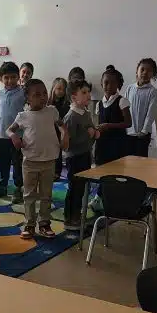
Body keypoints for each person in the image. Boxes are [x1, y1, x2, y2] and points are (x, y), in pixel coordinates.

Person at [8, 79, 67, 239]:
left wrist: (65, 134)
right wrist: (14, 136)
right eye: (37, 94)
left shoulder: (52, 111)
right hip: (30, 162)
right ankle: (29, 223)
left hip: (49, 161)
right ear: (27, 98)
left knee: (46, 195)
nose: (42, 97)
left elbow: (62, 125)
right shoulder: (23, 116)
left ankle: (44, 223)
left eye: (44, 93)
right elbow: (9, 130)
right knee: (29, 195)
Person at [0, 62, 26, 202]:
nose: (10, 81)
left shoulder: (23, 93)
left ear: (18, 77)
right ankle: (2, 186)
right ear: (1, 78)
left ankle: (18, 188)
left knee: (17, 163)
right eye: (6, 77)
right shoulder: (0, 93)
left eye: (13, 77)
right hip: (2, 135)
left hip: (17, 135)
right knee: (2, 162)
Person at [63, 80, 97, 230]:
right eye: (84, 92)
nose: (88, 95)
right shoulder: (71, 116)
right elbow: (68, 143)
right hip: (75, 157)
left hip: (85, 154)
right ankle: (70, 218)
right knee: (74, 187)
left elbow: (90, 130)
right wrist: (88, 134)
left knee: (82, 187)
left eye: (88, 92)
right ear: (73, 97)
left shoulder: (86, 113)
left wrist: (95, 133)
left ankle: (77, 214)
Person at [94, 67, 132, 165]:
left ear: (118, 84)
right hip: (102, 143)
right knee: (101, 169)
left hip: (117, 143)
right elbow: (99, 123)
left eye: (113, 83)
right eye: (106, 82)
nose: (109, 86)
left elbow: (128, 123)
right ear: (101, 83)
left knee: (116, 169)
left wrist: (109, 125)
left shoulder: (122, 101)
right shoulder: (99, 104)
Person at [123, 58, 157, 157]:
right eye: (142, 69)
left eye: (149, 70)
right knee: (127, 160)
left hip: (142, 135)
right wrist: (124, 127)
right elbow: (124, 108)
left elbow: (150, 114)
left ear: (153, 75)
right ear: (137, 71)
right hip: (128, 132)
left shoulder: (152, 91)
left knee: (140, 160)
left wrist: (144, 131)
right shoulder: (130, 88)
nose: (145, 73)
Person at [49, 77, 70, 179]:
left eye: (63, 89)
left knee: (58, 152)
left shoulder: (66, 103)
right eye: (59, 88)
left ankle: (57, 172)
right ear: (53, 88)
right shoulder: (48, 102)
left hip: (60, 130)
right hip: (49, 130)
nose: (61, 91)